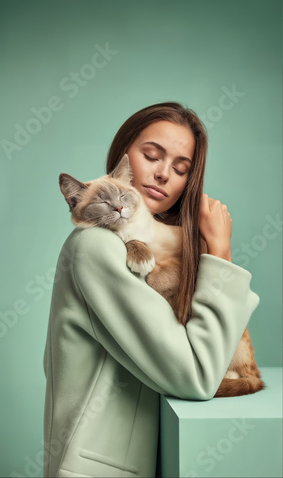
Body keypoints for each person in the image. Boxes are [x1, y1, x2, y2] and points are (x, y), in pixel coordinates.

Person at [43, 102, 259, 478]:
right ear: (123, 162)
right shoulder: (96, 246)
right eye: (151, 155)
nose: (163, 175)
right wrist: (221, 253)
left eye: (180, 169)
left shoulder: (146, 245)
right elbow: (197, 375)